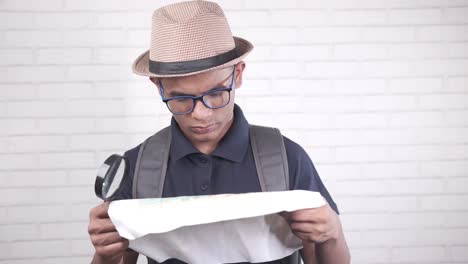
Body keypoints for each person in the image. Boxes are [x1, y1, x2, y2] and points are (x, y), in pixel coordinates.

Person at [87, 1, 350, 263]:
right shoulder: (139, 166)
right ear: (159, 86)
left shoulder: (286, 157)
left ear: (238, 74)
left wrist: (333, 232)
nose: (201, 114)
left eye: (216, 93)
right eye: (180, 98)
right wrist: (104, 254)